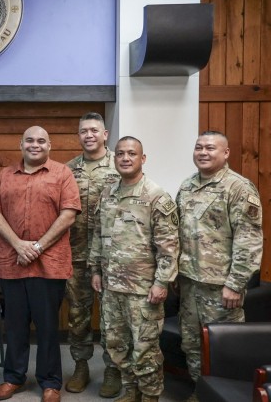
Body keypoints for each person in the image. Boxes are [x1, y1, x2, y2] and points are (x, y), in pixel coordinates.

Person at [0, 126, 81, 402]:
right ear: (21, 144)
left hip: (49, 265)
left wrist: (37, 246)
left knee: (48, 326)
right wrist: (19, 244)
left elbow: (68, 215)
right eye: (30, 140)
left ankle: (50, 382)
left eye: (41, 141)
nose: (35, 144)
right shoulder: (5, 175)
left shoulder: (62, 173)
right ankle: (13, 377)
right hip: (12, 263)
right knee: (15, 325)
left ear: (49, 146)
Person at [89, 136, 179, 402]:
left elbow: (169, 247)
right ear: (114, 158)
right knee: (116, 346)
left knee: (145, 351)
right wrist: (95, 269)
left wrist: (162, 282)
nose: (125, 158)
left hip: (143, 291)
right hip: (111, 288)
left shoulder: (156, 196)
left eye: (131, 153)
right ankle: (131, 391)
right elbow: (98, 233)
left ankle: (150, 396)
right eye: (120, 154)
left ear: (143, 159)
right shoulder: (108, 193)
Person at [176, 131, 262, 402]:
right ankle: (200, 392)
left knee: (223, 347)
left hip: (221, 288)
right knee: (191, 344)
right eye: (198, 147)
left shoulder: (239, 188)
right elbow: (178, 233)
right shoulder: (187, 186)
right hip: (190, 282)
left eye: (210, 148)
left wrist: (235, 284)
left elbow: (249, 241)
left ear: (225, 153)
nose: (203, 152)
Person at [65, 112, 121, 397]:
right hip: (76, 255)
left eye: (94, 130)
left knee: (112, 318)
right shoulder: (68, 169)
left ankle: (112, 370)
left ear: (105, 134)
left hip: (112, 258)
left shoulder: (120, 165)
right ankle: (81, 366)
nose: (88, 135)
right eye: (83, 130)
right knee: (78, 316)